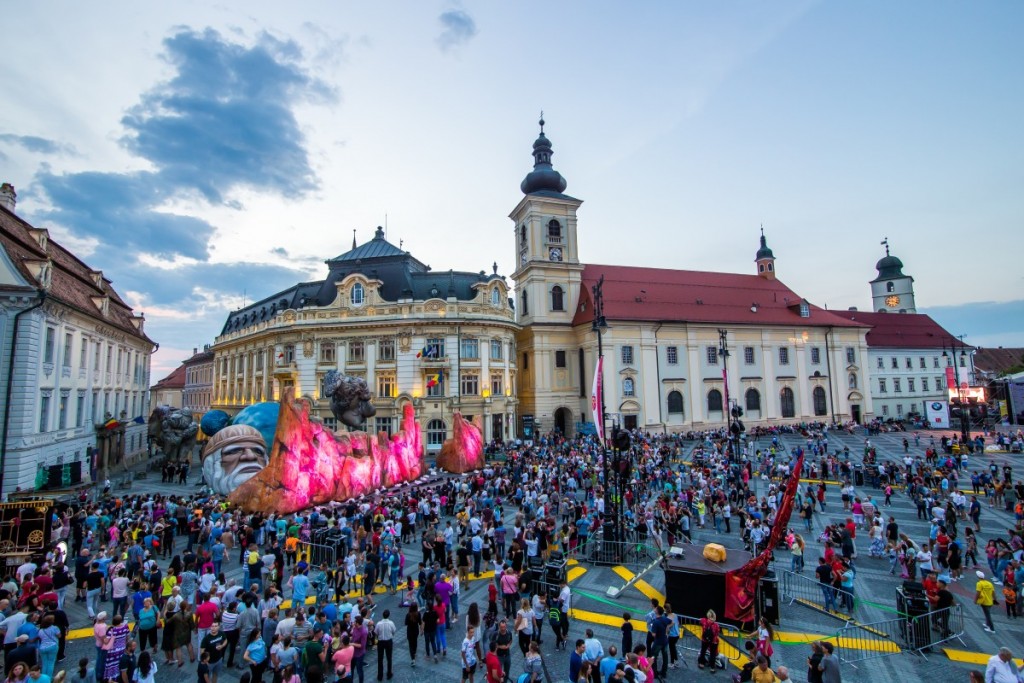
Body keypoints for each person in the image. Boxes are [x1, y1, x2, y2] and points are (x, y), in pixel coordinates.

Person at [201, 425, 269, 496]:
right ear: (211, 465)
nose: (250, 456)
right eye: (234, 451)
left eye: (258, 451)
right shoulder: (208, 503)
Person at [375, 609, 395, 681]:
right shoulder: (391, 623)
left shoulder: (378, 623)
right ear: (388, 615)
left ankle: (380, 676)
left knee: (380, 659)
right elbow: (393, 631)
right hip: (389, 641)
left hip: (380, 642)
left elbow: (376, 632)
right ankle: (389, 674)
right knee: (389, 658)